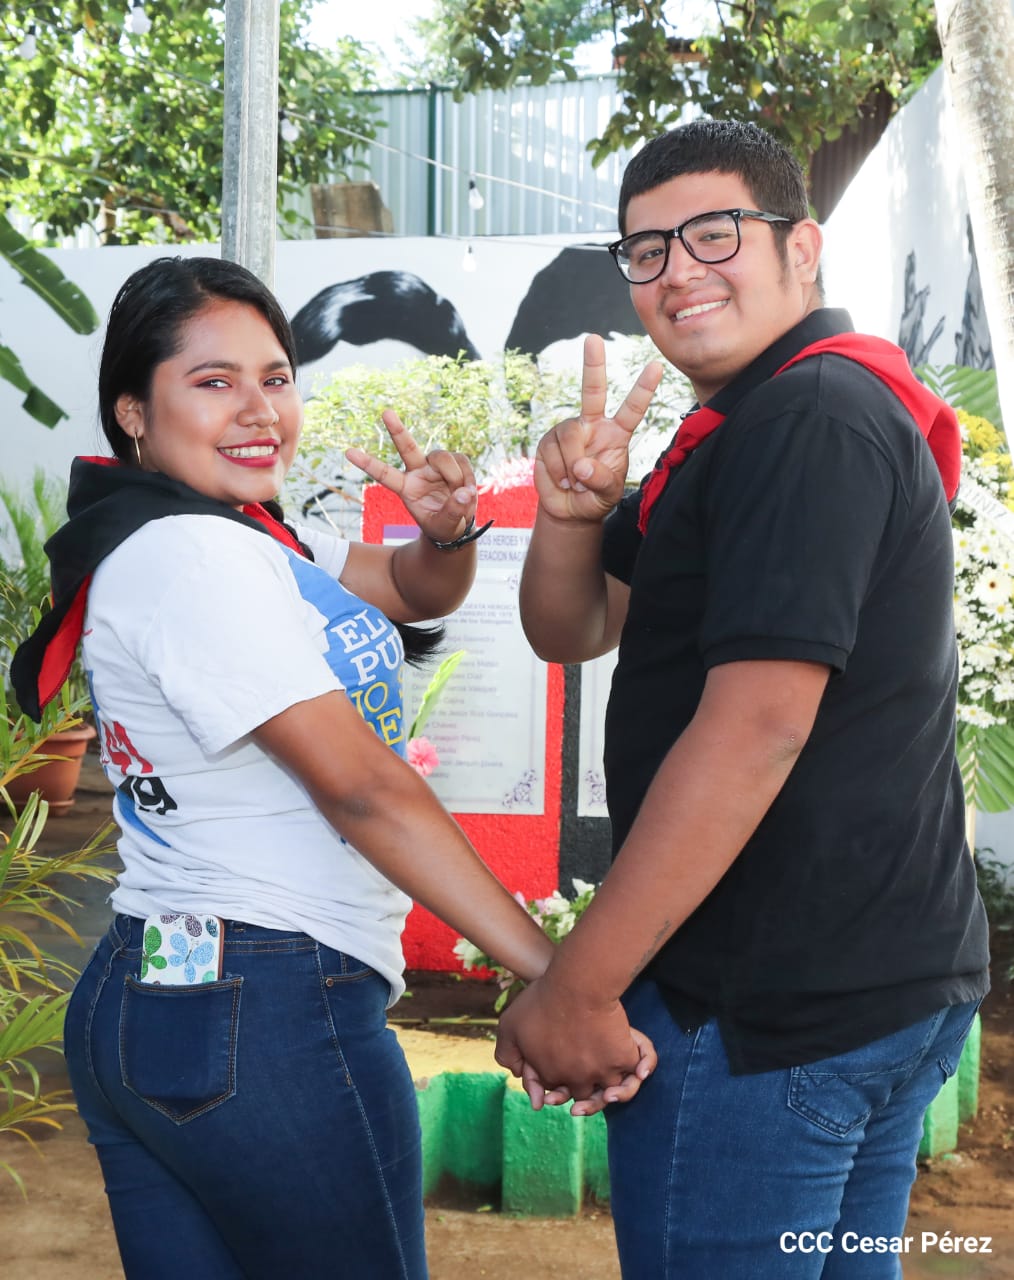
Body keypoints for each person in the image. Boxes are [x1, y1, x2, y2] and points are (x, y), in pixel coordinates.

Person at [10, 255, 652, 1280]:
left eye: (275, 377)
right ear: (134, 412)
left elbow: (410, 587)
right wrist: (556, 975)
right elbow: (362, 789)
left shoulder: (242, 535)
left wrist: (447, 532)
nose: (258, 409)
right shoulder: (192, 556)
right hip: (267, 1001)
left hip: (165, 990)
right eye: (213, 381)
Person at [495, 120, 990, 1277]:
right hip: (862, 985)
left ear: (800, 248)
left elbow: (758, 726)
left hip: (769, 1006)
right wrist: (569, 516)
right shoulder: (748, 422)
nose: (678, 271)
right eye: (647, 250)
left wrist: (582, 982)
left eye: (715, 234)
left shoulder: (807, 417)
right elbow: (574, 627)